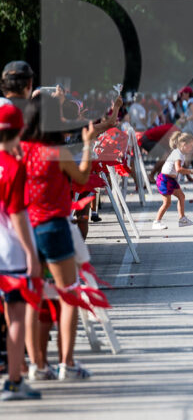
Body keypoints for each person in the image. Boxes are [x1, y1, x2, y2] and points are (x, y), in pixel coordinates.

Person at [20, 94, 100, 381]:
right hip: (54, 227)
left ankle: (37, 365)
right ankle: (67, 362)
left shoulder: (20, 152)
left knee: (35, 299)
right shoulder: (57, 153)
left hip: (26, 232)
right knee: (69, 296)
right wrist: (89, 143)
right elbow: (81, 178)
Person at [0, 103, 43, 401]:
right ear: (21, 130)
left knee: (7, 314)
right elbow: (17, 214)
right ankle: (14, 380)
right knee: (17, 318)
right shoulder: (15, 168)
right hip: (12, 251)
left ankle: (14, 375)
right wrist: (31, 254)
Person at [152, 132, 193, 229]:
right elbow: (178, 169)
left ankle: (182, 219)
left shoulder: (180, 153)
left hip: (171, 179)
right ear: (184, 145)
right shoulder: (177, 154)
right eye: (190, 146)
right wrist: (192, 172)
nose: (191, 149)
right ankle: (156, 222)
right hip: (165, 179)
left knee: (181, 196)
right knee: (167, 203)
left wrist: (189, 174)